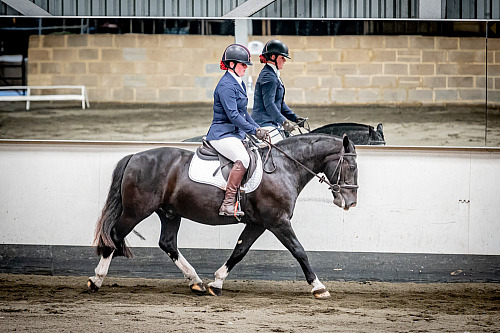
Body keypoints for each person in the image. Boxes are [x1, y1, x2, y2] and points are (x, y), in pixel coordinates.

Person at [206, 44, 269, 217]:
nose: (245, 68)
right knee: (243, 158)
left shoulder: (237, 82)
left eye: (246, 65)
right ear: (231, 64)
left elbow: (243, 113)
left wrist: (257, 129)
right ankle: (227, 203)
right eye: (242, 65)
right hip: (222, 134)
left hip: (234, 133)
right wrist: (253, 131)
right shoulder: (226, 85)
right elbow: (233, 116)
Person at [251, 39, 305, 143]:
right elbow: (269, 104)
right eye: (282, 57)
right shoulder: (268, 77)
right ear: (273, 57)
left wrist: (295, 118)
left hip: (272, 123)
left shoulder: (273, 74)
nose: (284, 60)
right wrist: (284, 122)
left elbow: (280, 103)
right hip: (263, 123)